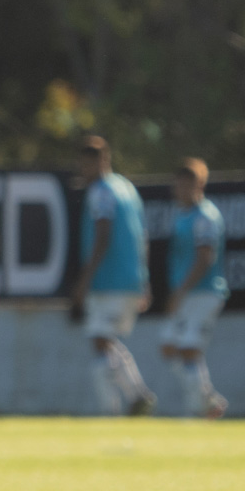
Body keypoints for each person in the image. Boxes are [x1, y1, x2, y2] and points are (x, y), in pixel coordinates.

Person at [70, 135, 154, 416]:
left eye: (86, 164)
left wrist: (84, 278)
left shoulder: (101, 192)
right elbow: (142, 237)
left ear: (100, 161)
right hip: (130, 278)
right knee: (107, 341)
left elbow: (103, 234)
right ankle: (137, 394)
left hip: (108, 280)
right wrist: (144, 279)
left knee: (99, 343)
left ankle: (113, 411)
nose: (83, 170)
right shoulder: (127, 188)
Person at [161, 158, 228, 419]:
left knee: (189, 348)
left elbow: (205, 258)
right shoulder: (182, 215)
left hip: (204, 293)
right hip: (187, 293)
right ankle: (208, 400)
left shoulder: (205, 217)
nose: (181, 191)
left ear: (199, 185)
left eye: (187, 185)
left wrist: (180, 291)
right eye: (178, 185)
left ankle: (196, 412)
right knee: (169, 346)